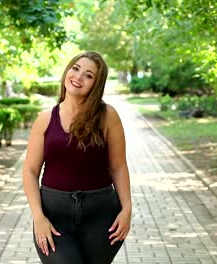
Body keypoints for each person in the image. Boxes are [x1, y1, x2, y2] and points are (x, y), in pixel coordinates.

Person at [22, 51, 132, 264]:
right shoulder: (45, 119)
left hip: (101, 217)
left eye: (89, 75)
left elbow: (118, 166)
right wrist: (38, 217)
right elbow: (30, 170)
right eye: (76, 68)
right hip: (54, 216)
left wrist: (127, 208)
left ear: (96, 84)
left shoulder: (108, 116)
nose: (78, 77)